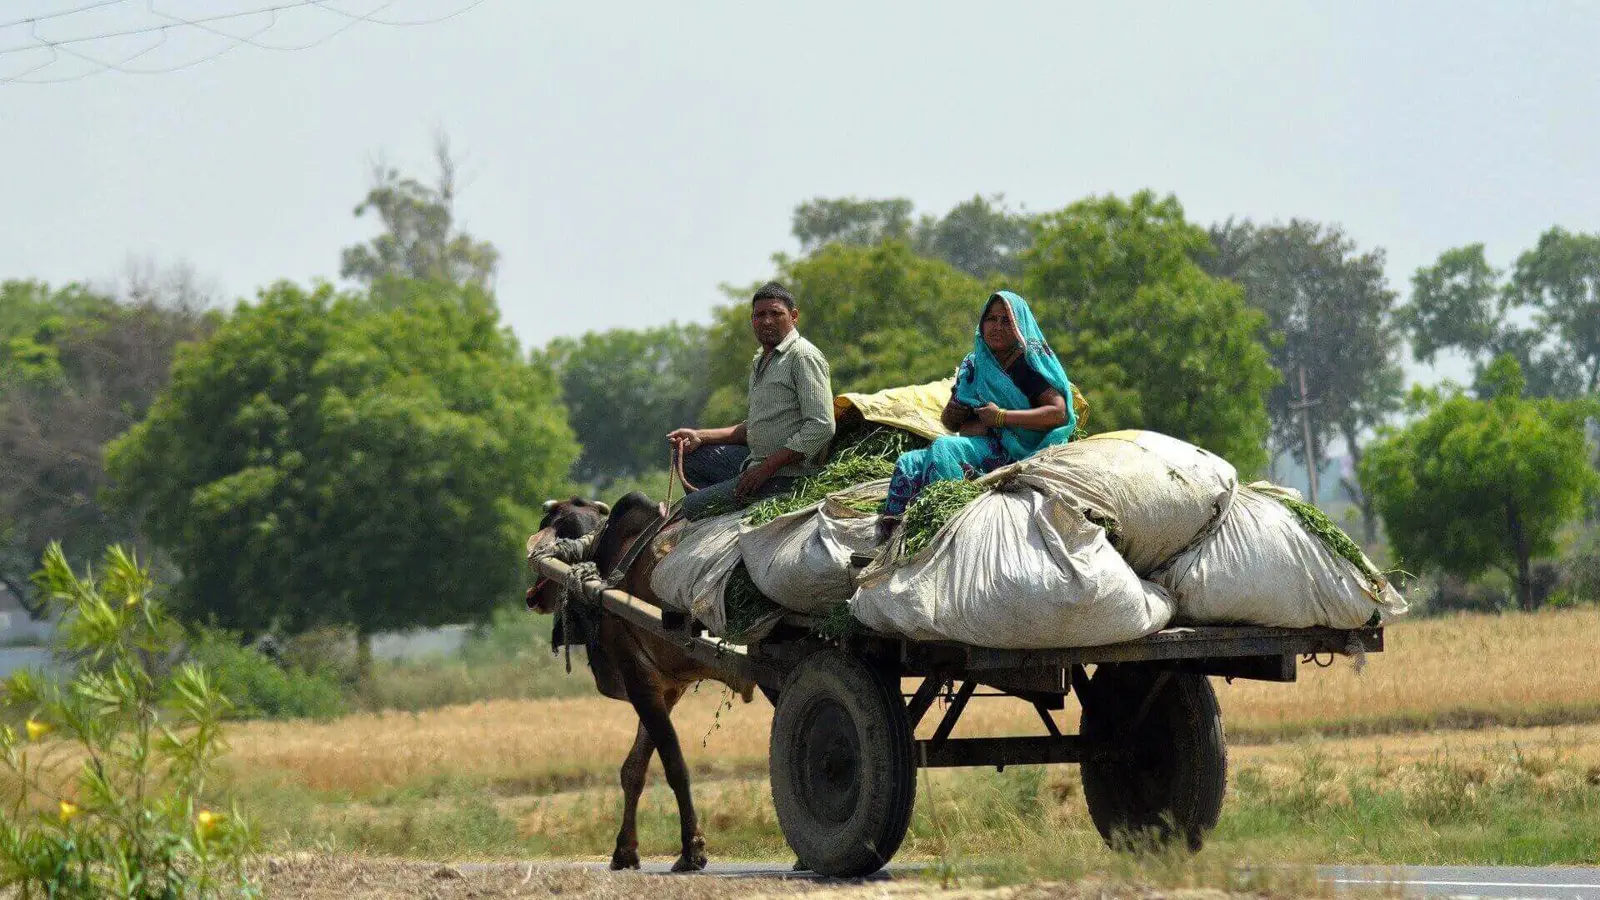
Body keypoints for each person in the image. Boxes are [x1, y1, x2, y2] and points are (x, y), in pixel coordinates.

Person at [879, 290, 1076, 534]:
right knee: (907, 463)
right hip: (979, 446)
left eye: (1007, 320)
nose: (997, 327)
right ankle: (894, 538)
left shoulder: (1025, 365)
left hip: (1017, 452)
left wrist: (1001, 417)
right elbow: (950, 424)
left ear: (1019, 326)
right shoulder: (974, 365)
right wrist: (953, 412)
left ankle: (940, 527)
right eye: (991, 319)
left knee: (944, 448)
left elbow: (1058, 413)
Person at [667, 282, 835, 520]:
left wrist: (766, 469)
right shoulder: (761, 360)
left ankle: (740, 505)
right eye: (760, 315)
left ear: (794, 316)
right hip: (754, 462)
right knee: (688, 458)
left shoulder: (803, 357)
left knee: (692, 507)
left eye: (776, 313)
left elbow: (822, 426)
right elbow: (755, 427)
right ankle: (736, 499)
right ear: (753, 320)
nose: (767, 321)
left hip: (785, 477)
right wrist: (700, 436)